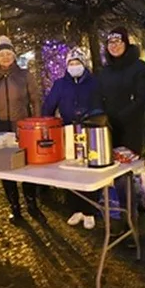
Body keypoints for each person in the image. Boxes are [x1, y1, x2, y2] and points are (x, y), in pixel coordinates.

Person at [0, 36, 45, 223]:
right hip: (1, 125)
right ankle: (14, 207)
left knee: (27, 166)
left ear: (14, 55)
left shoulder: (25, 75)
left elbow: (35, 99)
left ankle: (32, 204)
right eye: (1, 54)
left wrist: (35, 122)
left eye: (8, 53)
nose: (5, 57)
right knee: (6, 167)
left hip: (23, 125)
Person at [42, 47, 103, 230]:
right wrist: (52, 126)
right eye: (71, 63)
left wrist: (94, 118)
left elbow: (100, 104)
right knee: (71, 170)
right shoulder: (60, 84)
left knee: (89, 170)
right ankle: (75, 209)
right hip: (68, 131)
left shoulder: (94, 83)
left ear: (84, 64)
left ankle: (90, 210)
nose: (74, 66)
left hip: (90, 130)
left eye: (77, 63)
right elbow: (48, 107)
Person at [97, 27, 145, 234]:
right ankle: (118, 219)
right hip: (109, 129)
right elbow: (99, 97)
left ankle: (132, 224)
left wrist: (118, 118)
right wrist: (100, 118)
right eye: (110, 43)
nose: (115, 46)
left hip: (131, 129)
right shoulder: (105, 71)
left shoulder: (138, 67)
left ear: (126, 44)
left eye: (118, 42)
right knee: (112, 176)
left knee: (125, 178)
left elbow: (142, 100)